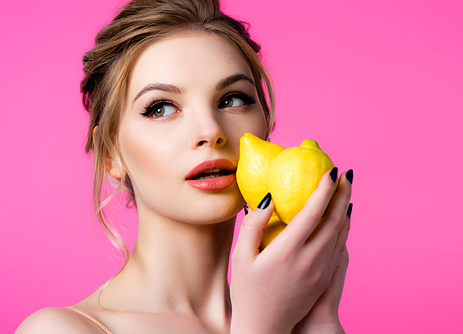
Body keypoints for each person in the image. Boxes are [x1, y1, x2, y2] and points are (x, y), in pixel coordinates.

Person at [16, 0, 353, 333]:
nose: (211, 131)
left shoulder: (292, 317)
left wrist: (320, 322)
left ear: (266, 125)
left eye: (233, 100)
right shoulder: (60, 329)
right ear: (110, 153)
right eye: (161, 108)